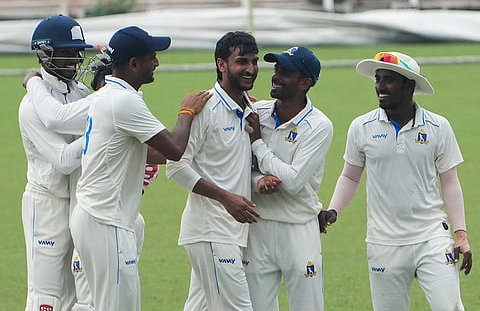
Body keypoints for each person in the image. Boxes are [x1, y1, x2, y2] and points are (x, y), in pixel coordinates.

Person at [69, 25, 211, 311]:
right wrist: (187, 111)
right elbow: (174, 148)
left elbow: (154, 153)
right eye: (151, 57)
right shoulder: (124, 101)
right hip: (106, 221)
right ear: (134, 64)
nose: (157, 62)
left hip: (95, 216)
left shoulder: (108, 95)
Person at [319, 51, 473, 311]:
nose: (380, 86)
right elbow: (350, 176)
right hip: (383, 243)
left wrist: (461, 235)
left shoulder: (438, 127)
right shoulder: (361, 127)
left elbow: (450, 182)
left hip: (432, 238)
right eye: (378, 79)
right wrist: (334, 210)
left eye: (388, 80)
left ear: (409, 85)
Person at [24, 44, 161, 311]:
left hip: (97, 211)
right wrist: (102, 136)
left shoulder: (94, 100)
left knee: (89, 298)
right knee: (53, 297)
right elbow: (61, 149)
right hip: (62, 209)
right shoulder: (36, 106)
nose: (76, 60)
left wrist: (105, 136)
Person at [165, 31, 260, 311]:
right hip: (211, 232)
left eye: (254, 61)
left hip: (229, 233)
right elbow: (176, 166)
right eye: (242, 61)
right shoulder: (205, 108)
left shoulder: (249, 107)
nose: (251, 69)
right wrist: (225, 198)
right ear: (221, 64)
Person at [244, 46, 333, 311]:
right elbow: (236, 168)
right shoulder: (257, 112)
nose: (276, 76)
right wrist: (257, 182)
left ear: (305, 82)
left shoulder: (319, 126)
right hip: (257, 227)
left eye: (286, 72)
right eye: (276, 69)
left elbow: (293, 181)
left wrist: (258, 144)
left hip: (298, 228)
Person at [18, 14, 93, 311]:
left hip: (77, 202)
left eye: (77, 51)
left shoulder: (80, 92)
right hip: (46, 204)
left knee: (77, 293)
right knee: (46, 297)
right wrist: (96, 134)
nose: (74, 59)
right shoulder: (30, 106)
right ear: (45, 52)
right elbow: (62, 160)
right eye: (65, 52)